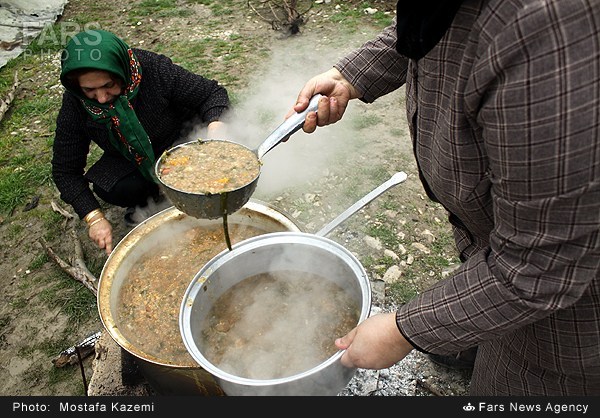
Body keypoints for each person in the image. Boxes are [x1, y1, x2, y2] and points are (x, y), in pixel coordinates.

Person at [289, 0, 600, 395]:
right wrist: (353, 75)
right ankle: (474, 339)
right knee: (478, 317)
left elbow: (540, 266)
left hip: (569, 309)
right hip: (493, 241)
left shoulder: (549, 33)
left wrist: (405, 330)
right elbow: (433, 27)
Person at [52, 29, 229, 255]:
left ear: (121, 71)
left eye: (108, 85)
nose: (102, 98)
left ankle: (183, 191)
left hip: (178, 140)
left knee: (196, 175)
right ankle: (151, 200)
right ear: (76, 86)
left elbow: (211, 94)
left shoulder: (152, 69)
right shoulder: (76, 104)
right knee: (113, 188)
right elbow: (64, 171)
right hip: (130, 155)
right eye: (90, 90)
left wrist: (215, 132)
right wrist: (94, 217)